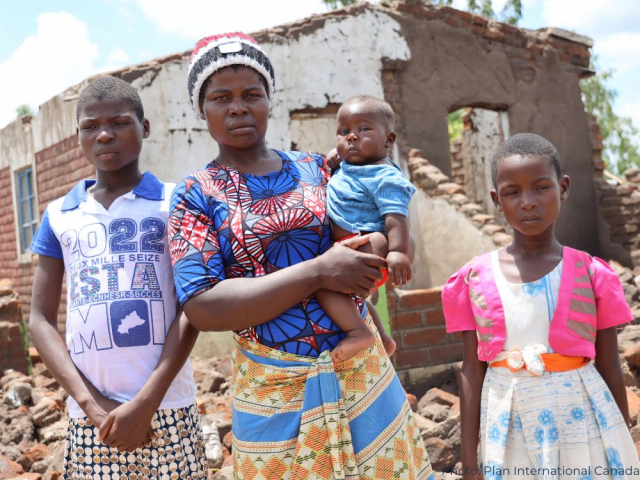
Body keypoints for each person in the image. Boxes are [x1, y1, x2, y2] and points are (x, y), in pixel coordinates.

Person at [170, 32, 434, 479]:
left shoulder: (317, 168)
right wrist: (316, 273)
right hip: (273, 385)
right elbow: (202, 306)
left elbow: (368, 224)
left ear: (269, 99)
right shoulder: (195, 195)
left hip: (360, 371)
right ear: (201, 109)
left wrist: (375, 281)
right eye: (221, 97)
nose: (238, 106)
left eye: (252, 94)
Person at [29, 76, 206, 479]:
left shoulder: (174, 202)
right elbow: (40, 320)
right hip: (92, 417)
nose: (104, 134)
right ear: (78, 137)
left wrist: (146, 403)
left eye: (119, 122)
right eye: (90, 126)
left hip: (168, 406)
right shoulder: (59, 215)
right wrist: (92, 405)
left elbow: (191, 307)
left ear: (144, 128)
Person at [442, 133, 640, 479]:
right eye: (512, 192)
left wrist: (621, 438)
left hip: (582, 424)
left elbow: (609, 362)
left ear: (563, 188)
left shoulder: (592, 273)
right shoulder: (472, 278)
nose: (528, 202)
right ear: (496, 200)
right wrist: (470, 461)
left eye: (541, 187)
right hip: (508, 424)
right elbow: (472, 370)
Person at [316, 94, 415, 362]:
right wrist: (336, 161)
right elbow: (340, 169)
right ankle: (382, 337)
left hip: (371, 244)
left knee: (323, 284)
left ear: (389, 140)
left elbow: (396, 217)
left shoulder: (385, 176)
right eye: (344, 131)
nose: (351, 137)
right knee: (352, 298)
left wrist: (398, 252)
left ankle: (358, 332)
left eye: (363, 129)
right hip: (352, 243)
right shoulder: (352, 165)